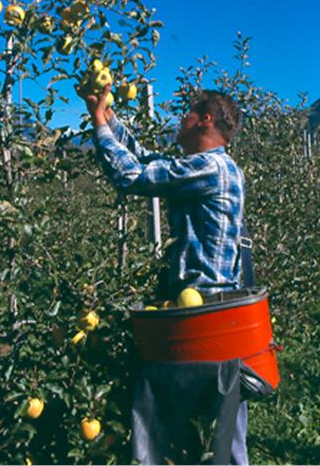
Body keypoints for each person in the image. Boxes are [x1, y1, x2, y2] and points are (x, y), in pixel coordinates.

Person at [81, 85, 248, 465]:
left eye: (188, 112)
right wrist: (107, 115)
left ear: (205, 119)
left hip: (201, 318)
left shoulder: (211, 167)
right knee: (221, 431)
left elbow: (133, 176)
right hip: (212, 314)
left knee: (171, 421)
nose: (181, 119)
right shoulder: (212, 167)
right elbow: (146, 159)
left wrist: (97, 126)